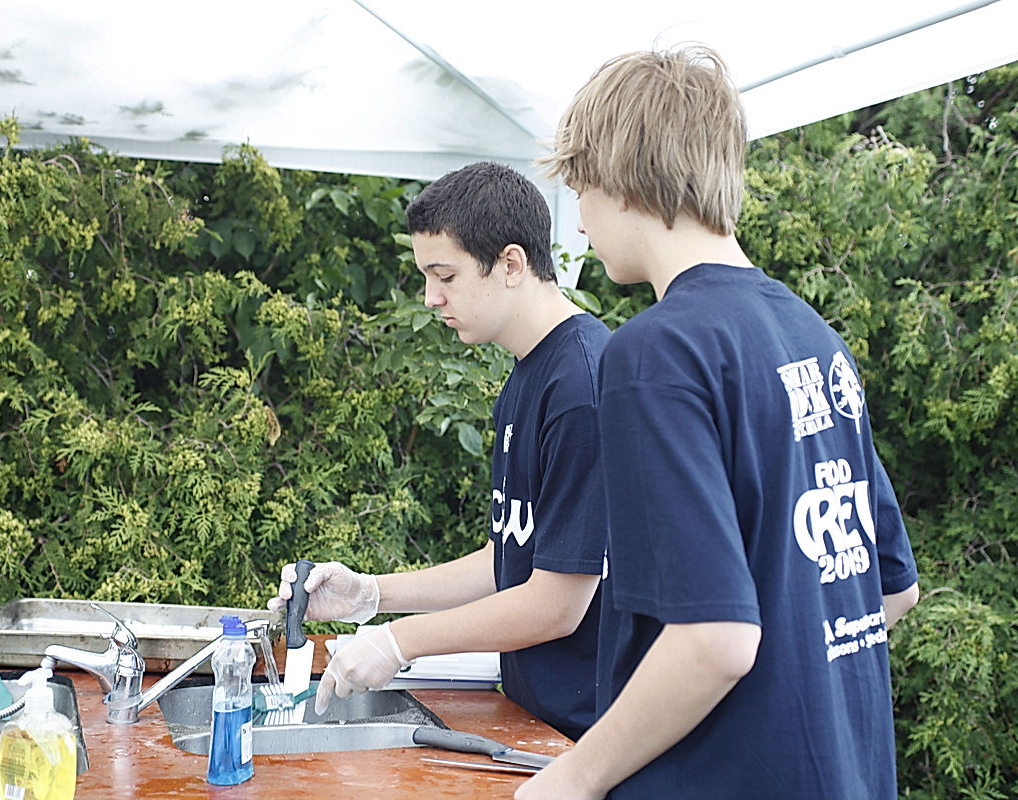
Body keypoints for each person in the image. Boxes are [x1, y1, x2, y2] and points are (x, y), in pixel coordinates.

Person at [516, 47, 921, 799]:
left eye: (580, 189)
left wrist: (574, 775)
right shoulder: (814, 338)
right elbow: (889, 590)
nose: (581, 216)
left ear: (619, 176)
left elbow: (716, 639)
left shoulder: (654, 352)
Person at [269, 160, 611, 741]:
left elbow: (558, 603)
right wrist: (371, 595)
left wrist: (402, 642)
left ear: (510, 263)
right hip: (535, 723)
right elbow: (509, 558)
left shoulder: (581, 385)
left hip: (589, 739)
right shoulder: (528, 375)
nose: (430, 298)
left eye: (444, 275)